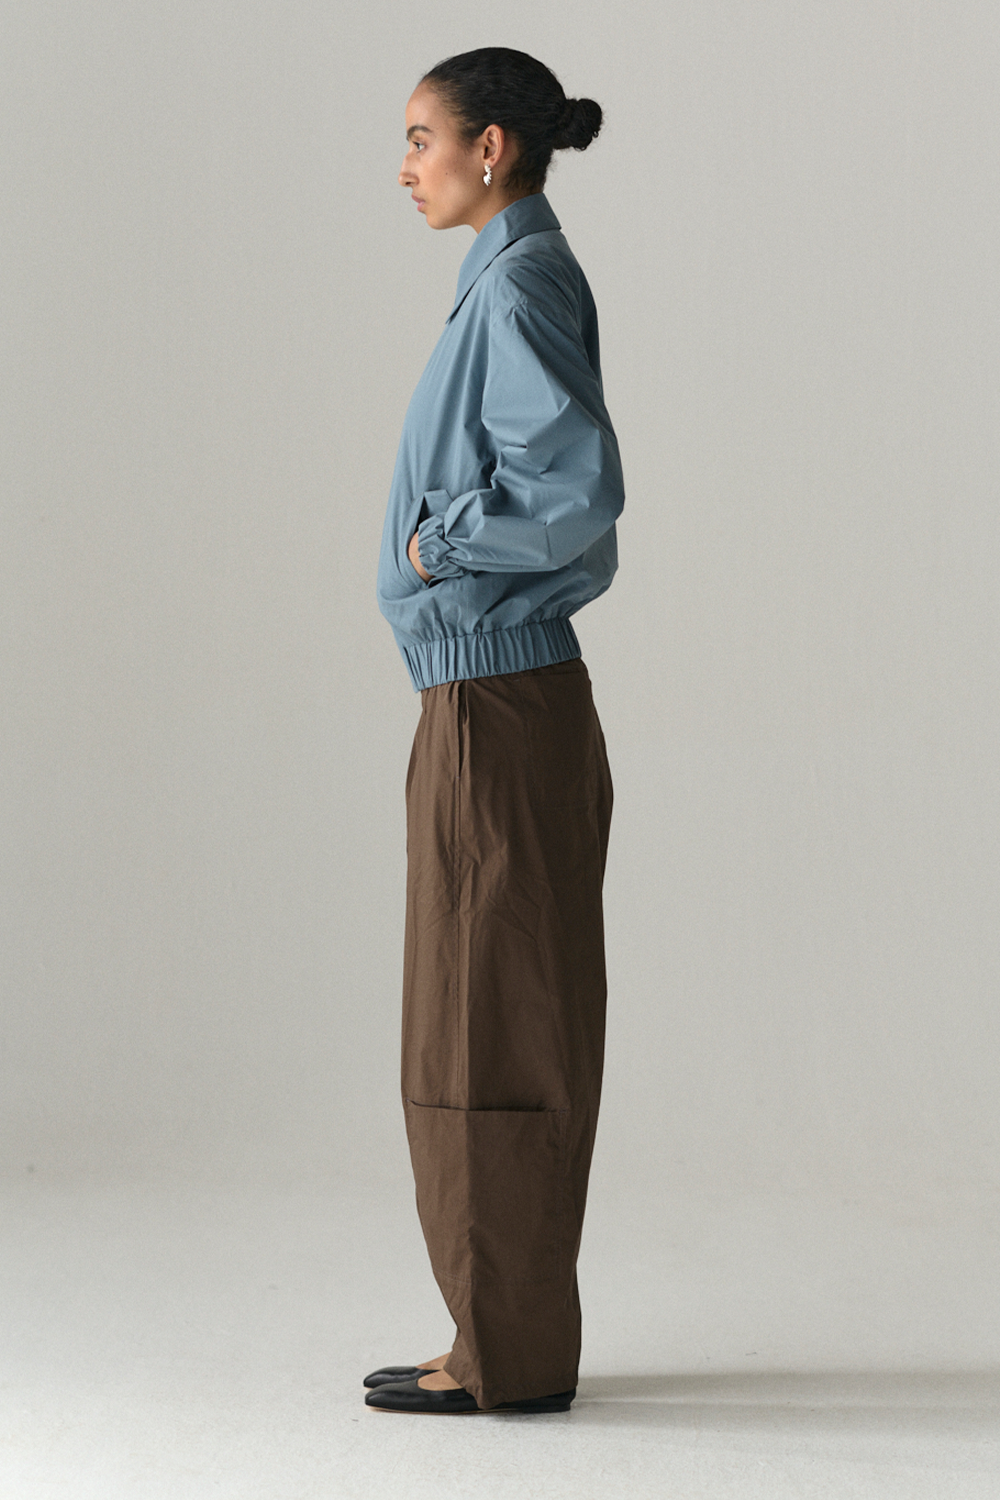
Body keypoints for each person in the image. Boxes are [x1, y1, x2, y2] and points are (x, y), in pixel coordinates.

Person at [365, 46, 625, 1416]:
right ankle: (496, 1330)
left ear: (492, 148)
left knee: (489, 1028)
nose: (405, 167)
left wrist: (441, 541)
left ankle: (501, 1355)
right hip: (497, 700)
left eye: (423, 138)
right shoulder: (506, 280)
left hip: (497, 707)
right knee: (492, 1016)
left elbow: (575, 487)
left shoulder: (515, 285)